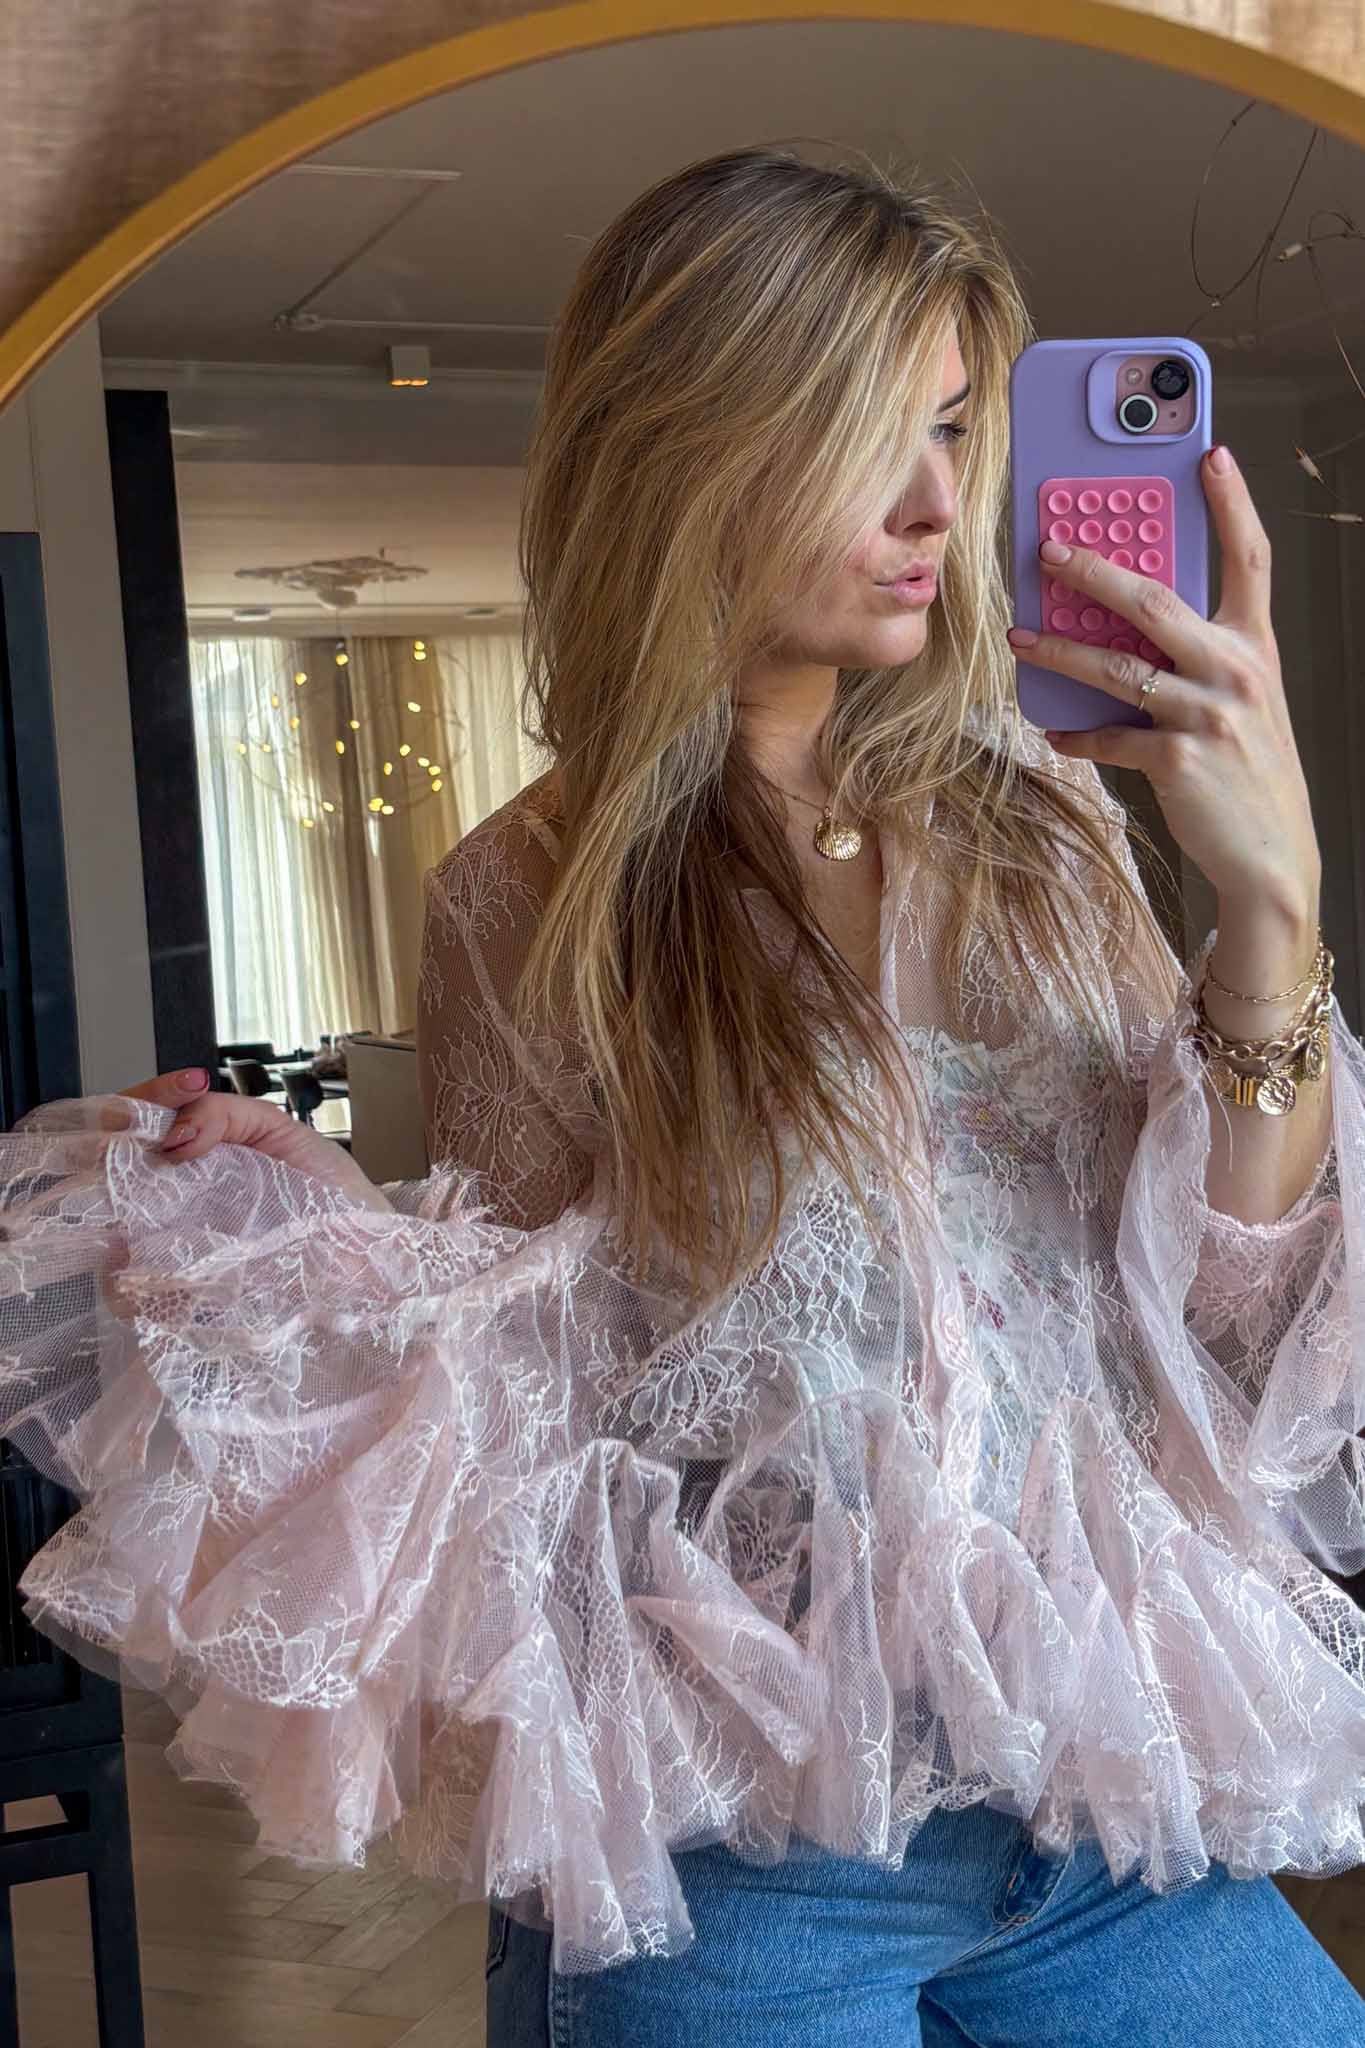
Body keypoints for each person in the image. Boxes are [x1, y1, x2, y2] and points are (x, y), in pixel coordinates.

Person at [3, 145, 1365, 2044]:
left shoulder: (1047, 819)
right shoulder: (527, 889)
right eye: (868, 435)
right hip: (749, 1868)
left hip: (1107, 1822)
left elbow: (1234, 1322)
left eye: (953, 429)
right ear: (690, 443)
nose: (935, 502)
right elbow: (544, 1388)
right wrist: (315, 1223)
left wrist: (1270, 906)